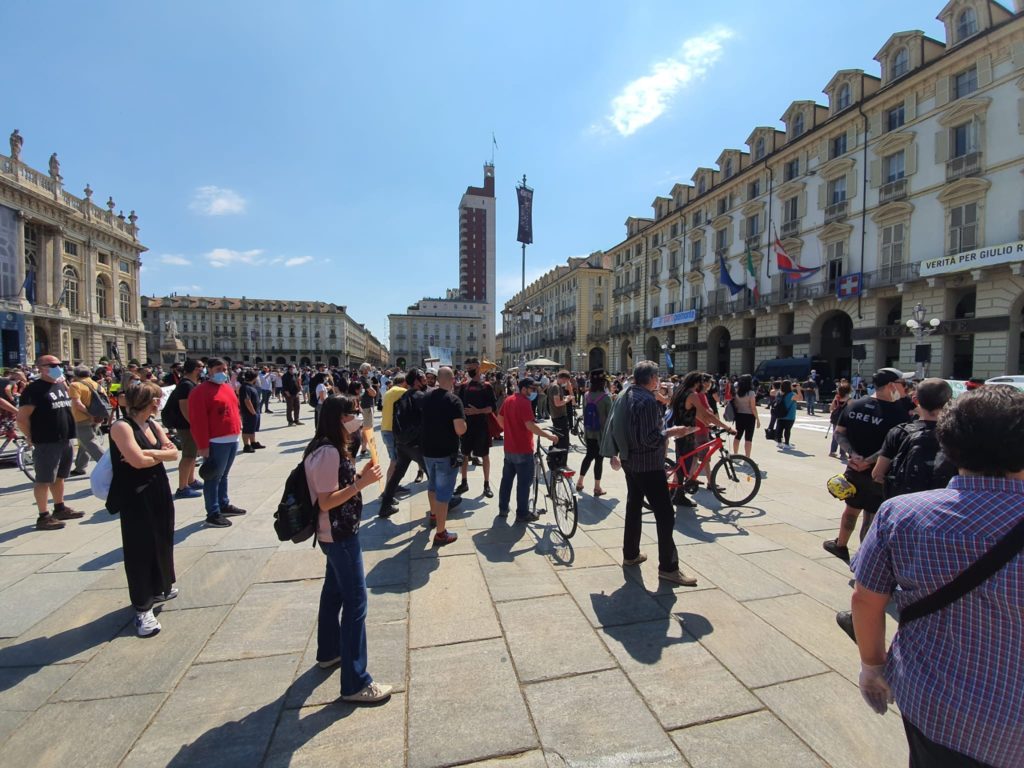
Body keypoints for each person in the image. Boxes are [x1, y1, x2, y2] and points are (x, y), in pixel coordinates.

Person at [850, 385, 1024, 767]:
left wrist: (872, 666)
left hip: (933, 702)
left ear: (949, 442)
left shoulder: (902, 514)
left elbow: (865, 599)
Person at [303, 395, 392, 704]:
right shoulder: (328, 452)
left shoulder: (327, 447)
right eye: (352, 414)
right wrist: (361, 484)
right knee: (356, 602)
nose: (357, 419)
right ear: (338, 418)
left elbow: (331, 486)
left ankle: (329, 652)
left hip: (335, 533)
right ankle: (355, 682)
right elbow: (326, 501)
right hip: (338, 534)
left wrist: (356, 475)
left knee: (333, 593)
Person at [616, 361, 702, 586]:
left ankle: (630, 553)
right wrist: (672, 431)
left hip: (630, 462)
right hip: (647, 465)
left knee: (633, 506)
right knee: (665, 514)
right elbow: (649, 438)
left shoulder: (627, 394)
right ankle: (668, 567)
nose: (660, 381)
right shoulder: (646, 401)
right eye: (658, 378)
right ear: (652, 379)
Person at [107, 381, 179, 638]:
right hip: (134, 494)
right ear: (148, 402)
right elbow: (136, 463)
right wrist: (157, 453)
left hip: (158, 486)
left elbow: (175, 455)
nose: (159, 403)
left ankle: (161, 584)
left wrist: (149, 452)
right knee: (139, 546)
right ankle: (142, 607)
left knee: (162, 536)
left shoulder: (153, 424)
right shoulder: (121, 426)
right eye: (156, 399)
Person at [822, 368, 914, 562]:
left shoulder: (854, 405)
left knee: (851, 508)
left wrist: (853, 455)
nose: (905, 388)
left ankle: (841, 545)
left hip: (853, 468)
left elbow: (839, 432)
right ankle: (865, 557)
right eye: (902, 384)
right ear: (891, 386)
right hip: (879, 473)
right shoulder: (899, 414)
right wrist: (869, 461)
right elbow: (892, 446)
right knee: (871, 516)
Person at [16, 355, 83, 530]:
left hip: (65, 437)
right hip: (46, 440)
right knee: (44, 479)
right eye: (53, 365)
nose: (58, 367)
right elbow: (22, 418)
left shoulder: (60, 384)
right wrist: (30, 437)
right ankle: (43, 516)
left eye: (59, 364)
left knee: (60, 476)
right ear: (41, 368)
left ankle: (60, 508)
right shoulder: (34, 390)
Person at [187, 357, 246, 528]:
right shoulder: (200, 391)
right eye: (219, 369)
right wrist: (202, 446)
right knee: (213, 477)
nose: (223, 372)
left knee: (224, 475)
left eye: (225, 369)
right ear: (209, 370)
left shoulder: (226, 387)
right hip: (215, 441)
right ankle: (212, 512)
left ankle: (223, 503)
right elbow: (197, 421)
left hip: (231, 437)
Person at [871, 378, 955, 498]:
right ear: (949, 401)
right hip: (945, 505)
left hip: (906, 504)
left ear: (915, 400)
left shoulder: (899, 432)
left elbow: (877, 474)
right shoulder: (958, 434)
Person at [495, 377, 558, 521]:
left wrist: (510, 430)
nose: (534, 391)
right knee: (523, 484)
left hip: (509, 449)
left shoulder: (509, 399)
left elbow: (499, 418)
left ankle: (503, 509)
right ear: (524, 389)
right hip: (523, 449)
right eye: (532, 389)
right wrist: (549, 436)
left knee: (506, 481)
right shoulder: (524, 402)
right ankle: (522, 514)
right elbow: (530, 425)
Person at [419, 366, 466, 546]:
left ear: (437, 379)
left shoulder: (425, 397)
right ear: (452, 379)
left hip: (427, 450)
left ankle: (433, 514)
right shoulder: (454, 400)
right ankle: (441, 533)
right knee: (444, 494)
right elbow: (460, 429)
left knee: (432, 485)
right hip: (446, 453)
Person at [378, 368, 429, 517]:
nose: (426, 381)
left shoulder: (403, 396)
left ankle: (385, 506)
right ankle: (446, 501)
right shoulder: (421, 397)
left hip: (402, 443)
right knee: (433, 474)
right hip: (416, 444)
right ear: (416, 381)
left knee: (397, 475)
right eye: (423, 378)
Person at [455, 358, 496, 499]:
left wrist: (477, 411)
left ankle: (486, 484)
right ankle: (464, 482)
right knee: (464, 455)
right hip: (466, 427)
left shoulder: (487, 386)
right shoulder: (464, 386)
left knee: (485, 455)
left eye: (471, 368)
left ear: (478, 368)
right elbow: (458, 405)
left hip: (481, 427)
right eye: (467, 369)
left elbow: (492, 408)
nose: (468, 371)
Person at [165, 358, 204, 499]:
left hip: (188, 424)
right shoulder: (186, 385)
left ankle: (191, 480)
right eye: (201, 367)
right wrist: (194, 424)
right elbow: (185, 407)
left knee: (192, 454)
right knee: (188, 455)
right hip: (186, 425)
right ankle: (182, 487)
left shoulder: (189, 383)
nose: (203, 369)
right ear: (195, 369)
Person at [577, 371, 611, 496]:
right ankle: (597, 487)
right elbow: (610, 418)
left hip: (589, 431)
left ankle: (580, 481)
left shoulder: (586, 395)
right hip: (601, 434)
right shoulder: (606, 398)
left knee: (588, 456)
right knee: (599, 460)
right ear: (603, 383)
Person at [68, 365, 106, 476]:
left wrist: (90, 414)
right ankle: (80, 467)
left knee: (90, 443)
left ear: (76, 375)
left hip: (82, 418)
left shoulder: (75, 385)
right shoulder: (97, 385)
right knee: (84, 442)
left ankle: (109, 465)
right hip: (97, 418)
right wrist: (96, 416)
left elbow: (78, 404)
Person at [380, 373, 407, 485]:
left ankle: (394, 486)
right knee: (394, 462)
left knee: (395, 460)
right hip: (392, 431)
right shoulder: (401, 391)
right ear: (404, 382)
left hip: (385, 429)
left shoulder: (389, 391)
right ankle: (388, 489)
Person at [546, 370, 575, 460]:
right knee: (564, 442)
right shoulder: (556, 387)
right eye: (565, 381)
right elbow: (557, 403)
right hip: (559, 416)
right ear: (563, 378)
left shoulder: (552, 384)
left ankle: (554, 460)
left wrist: (565, 398)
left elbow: (556, 400)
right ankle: (561, 462)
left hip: (556, 415)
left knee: (557, 440)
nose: (565, 383)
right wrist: (567, 400)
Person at [730, 374, 759, 458]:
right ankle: (747, 457)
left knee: (737, 436)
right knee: (748, 438)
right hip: (749, 416)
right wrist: (757, 419)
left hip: (739, 415)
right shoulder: (751, 393)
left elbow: (735, 404)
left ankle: (735, 455)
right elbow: (753, 407)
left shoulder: (737, 392)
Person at [238, 370, 264, 454]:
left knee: (252, 429)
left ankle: (253, 443)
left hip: (255, 411)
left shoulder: (251, 386)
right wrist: (253, 412)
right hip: (248, 412)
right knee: (247, 429)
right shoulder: (245, 387)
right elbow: (247, 400)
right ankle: (246, 445)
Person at [828, 382, 853, 459]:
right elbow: (852, 410)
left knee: (835, 435)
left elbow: (831, 408)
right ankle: (843, 453)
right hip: (845, 420)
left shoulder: (837, 397)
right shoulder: (849, 399)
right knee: (844, 436)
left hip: (836, 419)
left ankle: (832, 451)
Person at [357, 363, 377, 458]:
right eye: (369, 369)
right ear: (365, 370)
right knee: (368, 428)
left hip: (365, 405)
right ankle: (365, 449)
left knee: (365, 427)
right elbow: (373, 393)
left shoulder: (362, 379)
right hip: (367, 405)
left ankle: (364, 448)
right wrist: (374, 391)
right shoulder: (364, 380)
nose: (370, 370)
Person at [774, 380, 798, 449]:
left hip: (779, 413)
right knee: (787, 430)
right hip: (790, 415)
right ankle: (787, 443)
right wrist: (798, 390)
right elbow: (801, 398)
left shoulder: (779, 393)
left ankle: (779, 442)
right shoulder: (792, 394)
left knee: (780, 429)